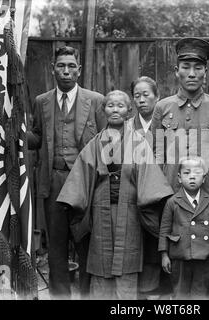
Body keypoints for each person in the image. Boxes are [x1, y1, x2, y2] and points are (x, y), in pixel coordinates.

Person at [57, 90, 174, 299]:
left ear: (129, 111)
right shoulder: (94, 143)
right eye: (110, 105)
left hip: (130, 212)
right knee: (100, 263)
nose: (115, 109)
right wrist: (71, 202)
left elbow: (150, 179)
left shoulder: (138, 142)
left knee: (127, 262)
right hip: (100, 210)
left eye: (120, 106)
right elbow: (80, 177)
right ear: (103, 110)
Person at [151, 37, 209, 299]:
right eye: (185, 66)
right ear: (176, 71)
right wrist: (160, 193)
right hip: (174, 197)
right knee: (178, 259)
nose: (191, 73)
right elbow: (154, 155)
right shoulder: (163, 108)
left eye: (198, 67)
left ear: (205, 72)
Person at [27, 46, 104, 299]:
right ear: (53, 69)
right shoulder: (42, 101)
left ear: (79, 70)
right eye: (61, 65)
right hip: (54, 182)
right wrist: (16, 130)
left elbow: (108, 142)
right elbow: (36, 137)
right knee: (57, 249)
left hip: (85, 184)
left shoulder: (96, 100)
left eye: (71, 66)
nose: (66, 71)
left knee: (86, 245)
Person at [159, 156, 209, 299]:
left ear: (204, 178)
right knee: (180, 293)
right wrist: (164, 255)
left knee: (200, 293)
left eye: (197, 173)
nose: (192, 177)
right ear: (179, 178)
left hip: (204, 255)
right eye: (187, 173)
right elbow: (164, 230)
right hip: (180, 254)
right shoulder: (172, 202)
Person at [129, 76, 167, 299]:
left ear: (157, 97)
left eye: (146, 95)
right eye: (137, 96)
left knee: (158, 241)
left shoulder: (165, 124)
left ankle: (162, 291)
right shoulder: (126, 126)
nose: (141, 100)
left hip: (161, 193)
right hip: (135, 193)